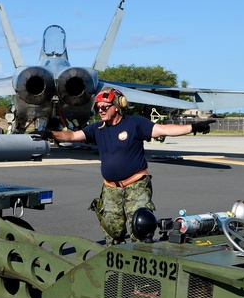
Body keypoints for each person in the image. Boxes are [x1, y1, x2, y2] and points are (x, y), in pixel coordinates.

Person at [38, 88, 214, 244]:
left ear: (117, 106)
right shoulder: (97, 128)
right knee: (112, 233)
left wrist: (193, 127)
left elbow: (163, 129)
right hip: (110, 190)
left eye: (105, 107)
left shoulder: (135, 123)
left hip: (136, 186)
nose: (100, 110)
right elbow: (72, 136)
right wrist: (50, 134)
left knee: (141, 230)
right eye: (98, 107)